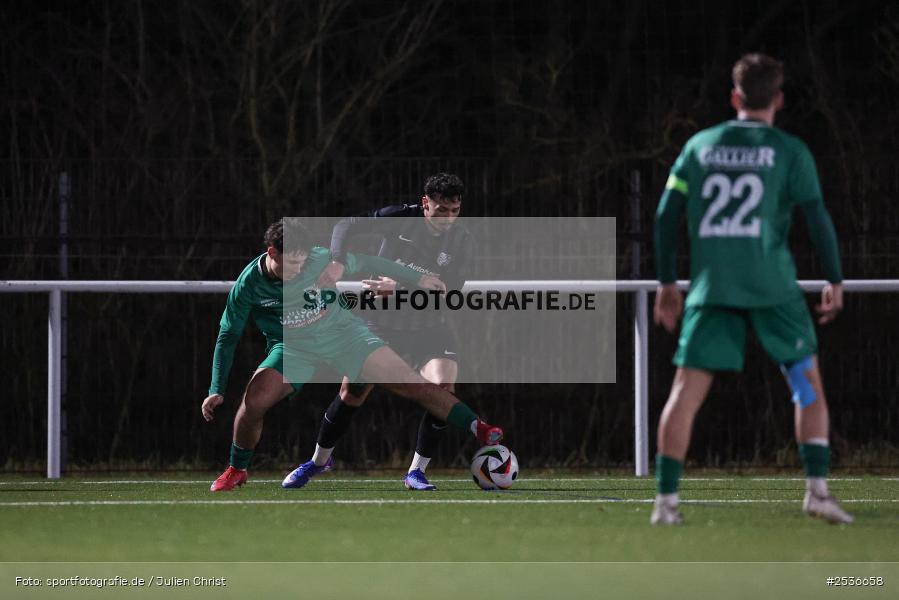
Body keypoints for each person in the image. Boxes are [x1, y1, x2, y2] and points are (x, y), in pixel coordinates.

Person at [651, 53, 852, 525]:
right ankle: (818, 492)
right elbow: (818, 219)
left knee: (685, 392)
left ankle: (665, 503)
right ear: (778, 99)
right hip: (774, 289)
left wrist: (666, 284)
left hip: (712, 288)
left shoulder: (700, 146)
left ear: (735, 97)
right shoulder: (790, 151)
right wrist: (835, 279)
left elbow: (664, 218)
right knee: (806, 383)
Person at [202, 218, 502, 492]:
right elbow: (228, 336)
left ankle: (479, 427)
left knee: (413, 385)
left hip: (345, 337)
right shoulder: (248, 286)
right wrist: (216, 388)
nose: (298, 269)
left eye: (302, 261)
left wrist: (417, 279)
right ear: (272, 253)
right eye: (291, 262)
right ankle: (237, 469)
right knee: (253, 402)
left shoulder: (318, 260)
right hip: (294, 349)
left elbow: (372, 261)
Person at [283, 173, 471, 491]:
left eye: (454, 210)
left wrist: (397, 287)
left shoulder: (461, 238)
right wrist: (338, 261)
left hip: (428, 327)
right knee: (351, 393)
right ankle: (317, 462)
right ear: (426, 204)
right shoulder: (400, 218)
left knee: (443, 389)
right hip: (380, 323)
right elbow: (345, 226)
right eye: (441, 210)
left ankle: (416, 472)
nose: (448, 218)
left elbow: (450, 289)